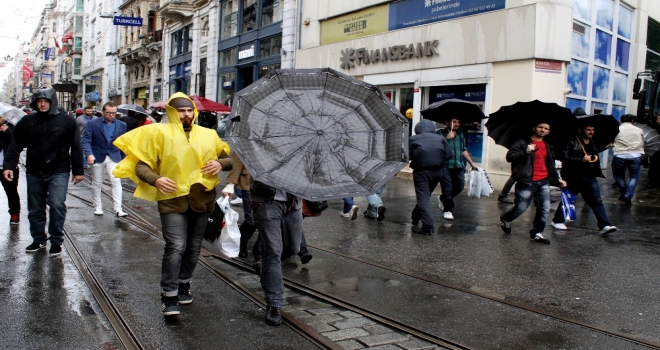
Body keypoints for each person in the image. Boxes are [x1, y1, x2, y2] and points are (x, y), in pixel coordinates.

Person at [112, 92, 232, 316]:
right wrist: (155, 179)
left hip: (201, 199)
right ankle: (169, 294)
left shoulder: (208, 134)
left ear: (194, 112)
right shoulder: (158, 133)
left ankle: (184, 283)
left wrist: (220, 163)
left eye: (189, 110)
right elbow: (141, 165)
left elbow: (228, 159)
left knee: (194, 247)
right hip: (172, 200)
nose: (186, 115)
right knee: (176, 245)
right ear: (171, 112)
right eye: (181, 111)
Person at [2, 88, 84, 256]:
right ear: (35, 103)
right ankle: (38, 239)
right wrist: (9, 166)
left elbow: (76, 146)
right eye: (39, 101)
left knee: (56, 204)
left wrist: (78, 170)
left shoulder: (67, 121)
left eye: (46, 101)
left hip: (59, 169)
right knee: (35, 208)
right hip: (34, 170)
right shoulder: (27, 121)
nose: (42, 104)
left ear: (52, 102)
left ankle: (56, 240)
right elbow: (15, 144)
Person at [499, 121, 566, 244]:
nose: (542, 130)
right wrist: (526, 151)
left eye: (546, 128)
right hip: (526, 181)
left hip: (543, 181)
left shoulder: (548, 144)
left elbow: (550, 164)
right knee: (521, 207)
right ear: (534, 127)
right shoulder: (522, 142)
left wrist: (557, 179)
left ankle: (537, 233)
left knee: (544, 208)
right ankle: (506, 218)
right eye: (540, 127)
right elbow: (510, 157)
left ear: (548, 131)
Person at [250, 179, 303, 326]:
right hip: (267, 201)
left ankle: (265, 267)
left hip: (294, 202)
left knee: (293, 248)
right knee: (273, 251)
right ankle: (274, 303)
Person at [550, 122, 617, 234]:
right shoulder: (571, 141)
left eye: (592, 129)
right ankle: (557, 220)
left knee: (596, 200)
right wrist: (581, 159)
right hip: (573, 176)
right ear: (580, 130)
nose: (591, 132)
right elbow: (564, 157)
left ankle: (604, 225)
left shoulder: (592, 142)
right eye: (588, 129)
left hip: (589, 176)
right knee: (569, 199)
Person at [81, 102, 128, 217]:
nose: (111, 115)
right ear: (102, 112)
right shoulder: (92, 124)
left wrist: (123, 157)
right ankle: (97, 206)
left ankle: (118, 209)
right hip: (97, 156)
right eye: (108, 113)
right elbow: (86, 140)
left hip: (114, 156)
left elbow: (124, 141)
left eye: (113, 113)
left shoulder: (122, 125)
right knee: (97, 182)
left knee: (116, 181)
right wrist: (89, 154)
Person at [409, 119, 452, 234]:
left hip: (421, 171)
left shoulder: (413, 139)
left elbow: (407, 155)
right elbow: (449, 155)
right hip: (438, 171)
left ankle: (428, 226)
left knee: (423, 198)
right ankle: (415, 216)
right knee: (425, 196)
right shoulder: (441, 138)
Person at [436, 117, 478, 220]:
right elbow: (436, 147)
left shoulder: (460, 134)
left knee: (459, 187)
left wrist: (471, 163)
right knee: (447, 189)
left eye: (458, 122)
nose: (457, 124)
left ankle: (442, 199)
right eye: (454, 122)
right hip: (445, 166)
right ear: (447, 122)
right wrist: (447, 138)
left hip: (458, 166)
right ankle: (448, 210)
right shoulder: (439, 134)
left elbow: (463, 150)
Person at [611, 114, 644, 206]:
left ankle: (623, 193)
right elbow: (642, 142)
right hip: (635, 155)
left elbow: (612, 142)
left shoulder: (617, 129)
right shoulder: (639, 130)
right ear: (632, 121)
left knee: (619, 176)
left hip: (620, 155)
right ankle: (628, 195)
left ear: (621, 120)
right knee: (634, 176)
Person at [0, 115, 20, 224]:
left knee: (11, 192)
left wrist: (7, 131)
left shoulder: (12, 127)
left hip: (9, 167)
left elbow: (19, 142)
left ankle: (14, 214)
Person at [647, 114, 660, 188]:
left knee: (654, 167)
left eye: (658, 119)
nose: (656, 121)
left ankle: (652, 182)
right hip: (656, 151)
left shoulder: (655, 130)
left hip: (656, 151)